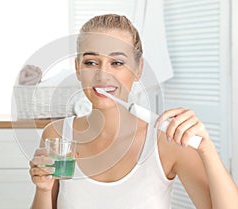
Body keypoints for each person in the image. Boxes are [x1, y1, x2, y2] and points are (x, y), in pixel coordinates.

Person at [29, 14, 238, 209]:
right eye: (91, 62)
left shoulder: (166, 141)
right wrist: (43, 189)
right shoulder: (57, 135)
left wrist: (207, 149)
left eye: (117, 63)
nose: (103, 75)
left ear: (138, 69)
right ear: (77, 68)